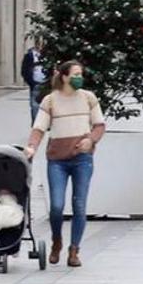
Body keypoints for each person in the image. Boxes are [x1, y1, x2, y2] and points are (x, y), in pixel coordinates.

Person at [26, 60, 105, 268]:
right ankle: (56, 241)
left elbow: (99, 125)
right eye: (75, 74)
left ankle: (74, 250)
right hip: (57, 160)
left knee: (79, 205)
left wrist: (91, 140)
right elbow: (39, 129)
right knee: (57, 206)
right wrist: (32, 147)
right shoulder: (50, 101)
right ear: (64, 76)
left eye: (81, 74)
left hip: (82, 159)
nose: (79, 77)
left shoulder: (89, 98)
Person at [20, 36, 48, 124]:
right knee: (35, 105)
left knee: (47, 104)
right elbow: (24, 71)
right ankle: (37, 124)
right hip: (35, 84)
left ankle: (45, 123)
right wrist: (31, 83)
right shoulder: (29, 55)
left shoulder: (47, 55)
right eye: (38, 43)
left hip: (46, 83)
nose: (40, 45)